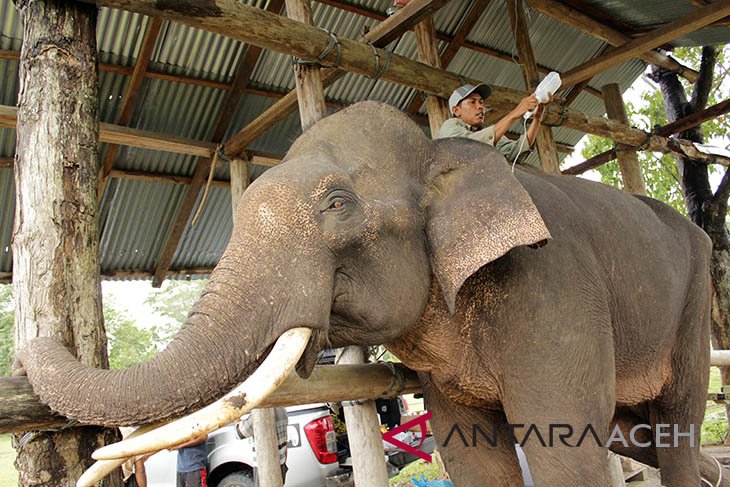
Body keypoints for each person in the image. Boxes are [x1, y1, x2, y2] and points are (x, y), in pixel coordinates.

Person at [436, 83, 550, 167]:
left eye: (481, 102)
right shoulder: (450, 126)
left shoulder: (487, 132)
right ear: (456, 111)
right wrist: (515, 113)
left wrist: (537, 118)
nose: (480, 106)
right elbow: (470, 146)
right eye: (472, 102)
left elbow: (515, 152)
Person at [236, 408, 289, 485]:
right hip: (281, 462)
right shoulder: (282, 409)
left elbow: (239, 433)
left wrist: (236, 417)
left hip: (264, 467)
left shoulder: (260, 413)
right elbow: (286, 442)